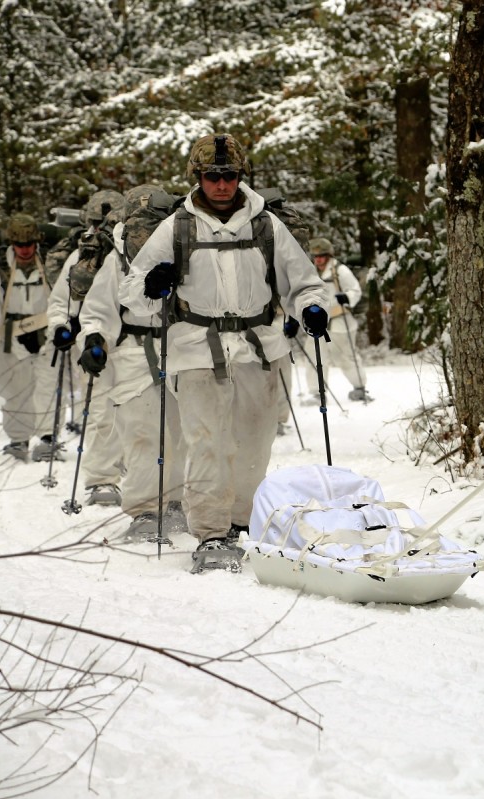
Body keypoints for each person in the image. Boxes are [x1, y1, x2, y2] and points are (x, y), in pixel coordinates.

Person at [118, 133, 330, 572]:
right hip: (196, 348)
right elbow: (132, 291)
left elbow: (303, 280)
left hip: (258, 346)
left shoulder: (266, 225)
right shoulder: (177, 227)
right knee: (207, 443)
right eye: (212, 176)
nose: (221, 184)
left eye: (229, 175)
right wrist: (152, 286)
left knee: (256, 441)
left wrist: (312, 307)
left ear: (240, 176)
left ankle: (240, 522)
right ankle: (211, 533)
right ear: (197, 177)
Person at [78, 184, 188, 541]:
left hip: (184, 349)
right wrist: (94, 339)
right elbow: (97, 309)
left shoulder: (187, 246)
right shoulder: (119, 257)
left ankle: (177, 502)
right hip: (133, 353)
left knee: (183, 432)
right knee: (143, 434)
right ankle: (145, 510)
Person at [47, 189, 126, 503]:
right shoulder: (80, 256)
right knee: (102, 411)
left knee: (140, 412)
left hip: (138, 341)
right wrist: (60, 328)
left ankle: (135, 471)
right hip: (95, 343)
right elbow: (59, 302)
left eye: (109, 222)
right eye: (96, 223)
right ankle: (102, 479)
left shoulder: (137, 250)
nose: (102, 229)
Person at [0, 214, 58, 462]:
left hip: (45, 332)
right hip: (10, 335)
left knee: (47, 386)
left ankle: (48, 437)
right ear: (12, 243)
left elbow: (60, 299)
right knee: (12, 387)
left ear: (36, 242)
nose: (25, 250)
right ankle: (18, 439)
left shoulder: (49, 264)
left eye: (29, 244)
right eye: (19, 245)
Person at [298, 237, 370, 404]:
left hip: (340, 321)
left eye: (322, 256)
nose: (318, 260)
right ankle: (317, 393)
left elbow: (355, 291)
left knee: (346, 357)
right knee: (315, 356)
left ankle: (359, 387)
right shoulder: (310, 272)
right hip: (317, 322)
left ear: (329, 255)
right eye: (316, 256)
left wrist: (347, 297)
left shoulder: (340, 270)